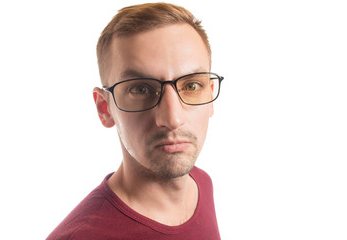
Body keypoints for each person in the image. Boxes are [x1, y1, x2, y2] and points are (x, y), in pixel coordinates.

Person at [46, 2, 223, 239]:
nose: (172, 118)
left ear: (210, 95)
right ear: (104, 108)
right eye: (141, 89)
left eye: (191, 86)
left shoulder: (200, 183)